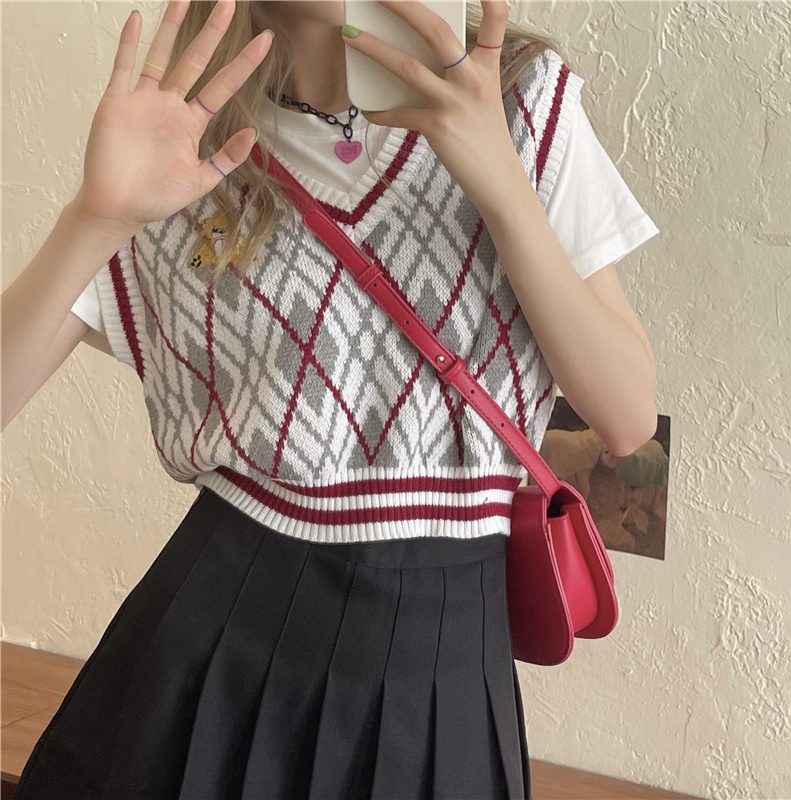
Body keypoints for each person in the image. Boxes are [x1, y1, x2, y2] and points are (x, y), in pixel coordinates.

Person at [3, 0, 660, 797]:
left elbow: (625, 416)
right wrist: (94, 220)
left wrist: (502, 184)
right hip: (210, 658)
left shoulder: (518, 98)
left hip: (445, 663)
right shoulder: (189, 134)